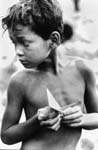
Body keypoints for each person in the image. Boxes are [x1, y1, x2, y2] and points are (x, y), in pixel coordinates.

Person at [1, 0, 98, 150]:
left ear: (53, 40)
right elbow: (6, 136)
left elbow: (96, 117)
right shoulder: (20, 81)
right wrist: (36, 121)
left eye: (24, 43)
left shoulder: (82, 70)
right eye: (14, 43)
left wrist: (82, 119)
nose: (18, 51)